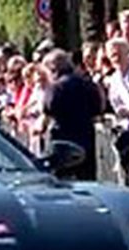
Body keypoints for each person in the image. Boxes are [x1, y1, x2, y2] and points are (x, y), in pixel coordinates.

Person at [42, 49, 103, 180]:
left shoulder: (55, 88)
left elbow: (48, 108)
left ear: (52, 69)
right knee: (87, 180)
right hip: (86, 139)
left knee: (62, 182)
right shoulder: (88, 84)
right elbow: (97, 108)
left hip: (62, 140)